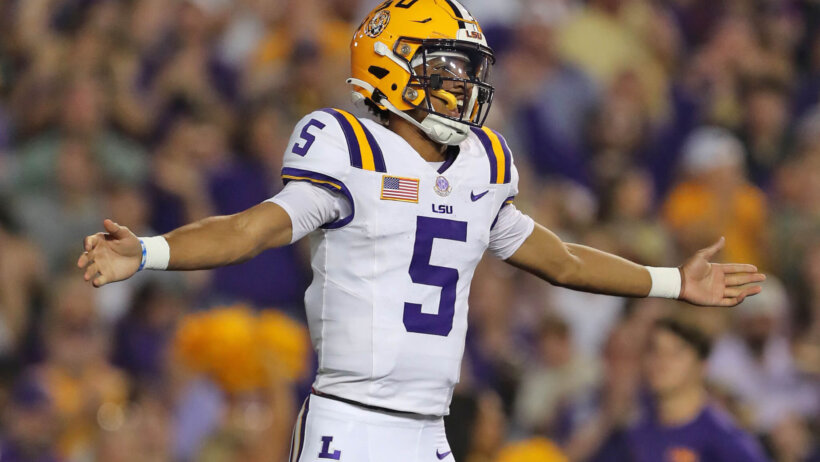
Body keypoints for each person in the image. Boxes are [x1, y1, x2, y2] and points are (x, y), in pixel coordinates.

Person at [77, 1, 765, 460]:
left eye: (467, 70)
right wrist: (150, 251)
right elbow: (250, 230)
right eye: (447, 67)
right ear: (390, 65)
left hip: (430, 427)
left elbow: (561, 260)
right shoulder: (347, 146)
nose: (463, 85)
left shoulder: (483, 163)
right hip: (350, 418)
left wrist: (672, 282)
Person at [625, 318, 769, 461]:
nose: (661, 361)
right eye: (654, 350)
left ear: (702, 366)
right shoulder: (635, 426)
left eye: (675, 353)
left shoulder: (723, 440)